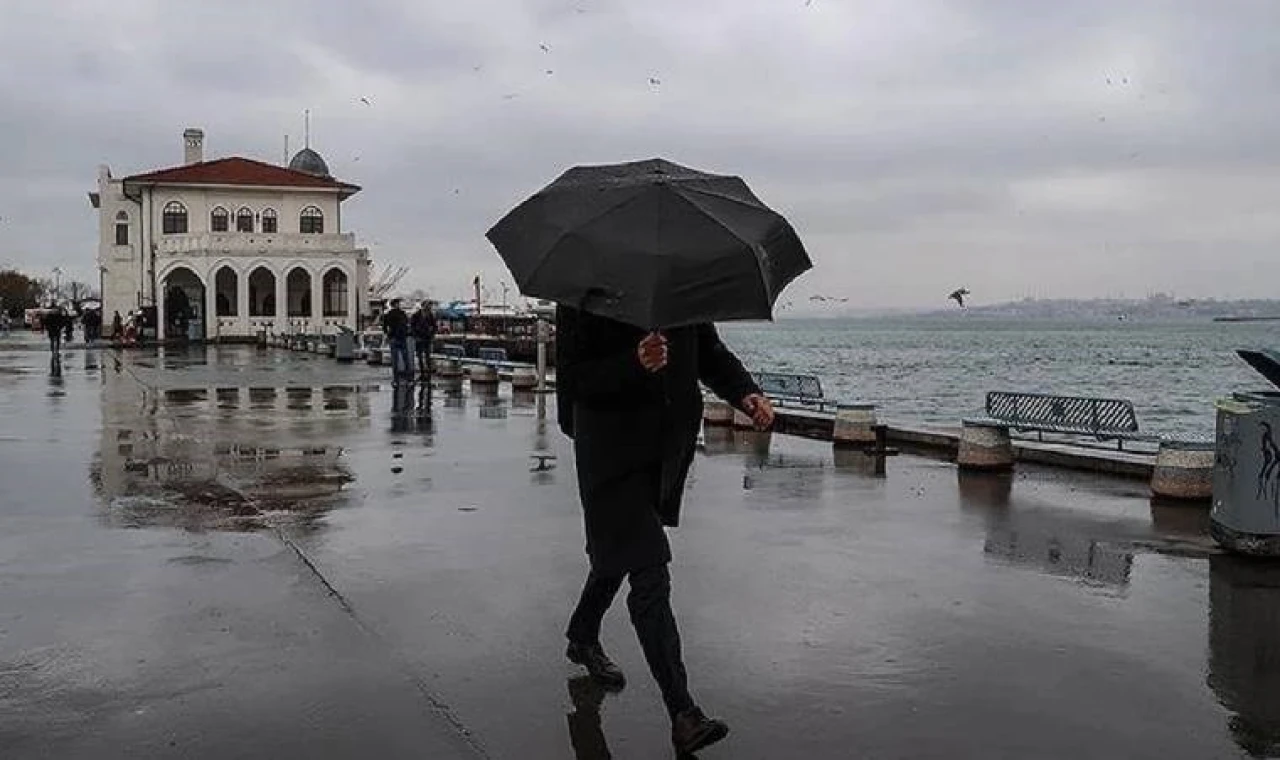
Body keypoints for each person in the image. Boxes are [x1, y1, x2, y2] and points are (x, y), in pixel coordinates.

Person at [555, 304, 775, 756]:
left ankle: (582, 636)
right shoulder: (583, 291)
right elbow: (574, 380)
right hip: (609, 454)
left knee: (620, 551)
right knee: (649, 570)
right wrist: (632, 362)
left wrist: (745, 394)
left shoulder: (680, 283)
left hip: (661, 455)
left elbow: (708, 350)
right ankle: (683, 713)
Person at [380, 298, 412, 384]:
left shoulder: (388, 314)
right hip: (401, 338)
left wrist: (388, 334)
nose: (399, 305)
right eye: (398, 303)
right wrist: (405, 332)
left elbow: (384, 326)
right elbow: (406, 324)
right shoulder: (402, 314)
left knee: (395, 359)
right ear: (395, 304)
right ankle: (408, 378)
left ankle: (396, 379)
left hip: (393, 338)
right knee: (405, 358)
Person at [410, 301, 438, 378]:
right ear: (423, 306)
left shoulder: (431, 315)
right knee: (420, 356)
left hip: (427, 338)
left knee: (427, 356)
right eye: (427, 306)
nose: (428, 307)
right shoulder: (416, 315)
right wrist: (415, 336)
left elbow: (435, 326)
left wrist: (432, 334)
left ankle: (428, 372)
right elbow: (412, 327)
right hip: (419, 338)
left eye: (429, 306)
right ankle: (422, 372)